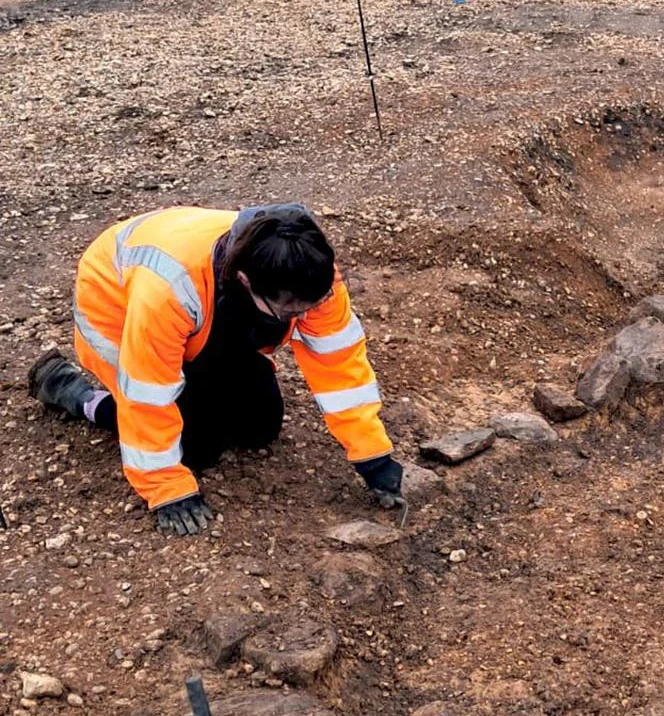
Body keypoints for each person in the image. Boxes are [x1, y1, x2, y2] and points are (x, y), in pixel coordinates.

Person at [28, 203, 405, 535]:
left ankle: (204, 381)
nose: (304, 317)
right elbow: (147, 394)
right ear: (246, 281)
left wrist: (371, 453)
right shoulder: (169, 291)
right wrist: (166, 488)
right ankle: (76, 395)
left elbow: (340, 366)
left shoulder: (309, 274)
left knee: (261, 427)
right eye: (292, 312)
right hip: (119, 315)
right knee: (196, 445)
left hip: (207, 319)